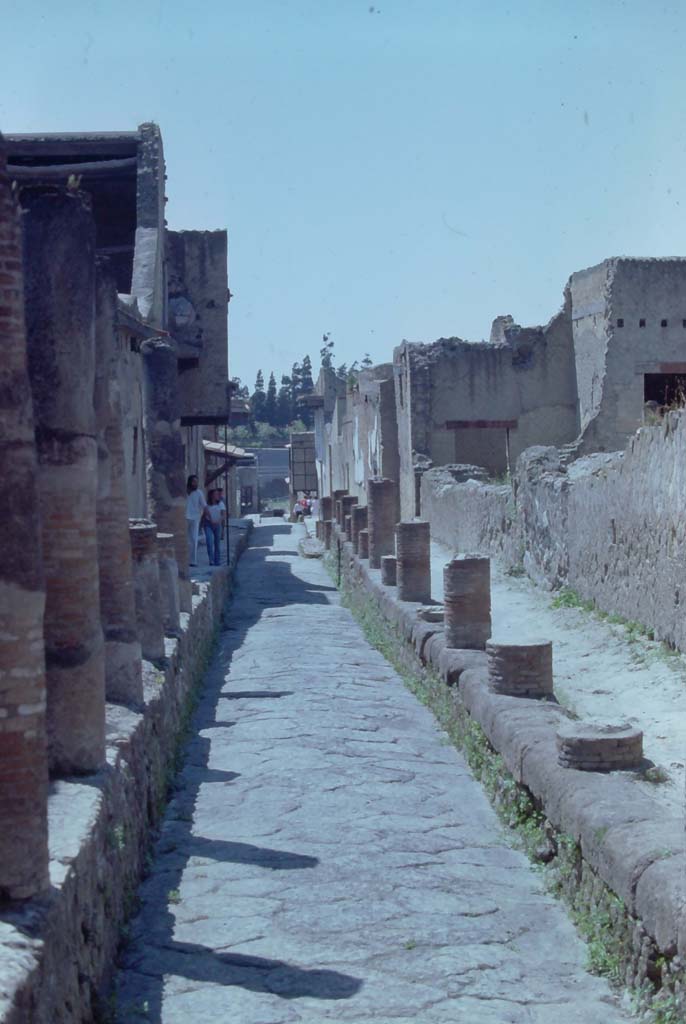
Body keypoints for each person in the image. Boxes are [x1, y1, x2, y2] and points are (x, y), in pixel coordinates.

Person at [186, 475, 206, 566]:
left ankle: (193, 561)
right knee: (185, 539)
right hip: (184, 518)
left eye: (196, 482)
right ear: (190, 482)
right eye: (194, 481)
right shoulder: (184, 492)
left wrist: (205, 518)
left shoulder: (199, 493)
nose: (196, 483)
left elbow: (204, 506)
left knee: (194, 539)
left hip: (195, 518)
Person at [203, 489, 223, 566]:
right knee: (209, 542)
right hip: (208, 524)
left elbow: (223, 515)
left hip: (217, 525)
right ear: (211, 495)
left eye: (218, 494)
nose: (218, 495)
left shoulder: (221, 504)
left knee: (217, 543)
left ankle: (217, 561)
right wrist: (210, 520)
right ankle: (211, 560)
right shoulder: (206, 504)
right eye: (216, 494)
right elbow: (205, 514)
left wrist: (218, 521)